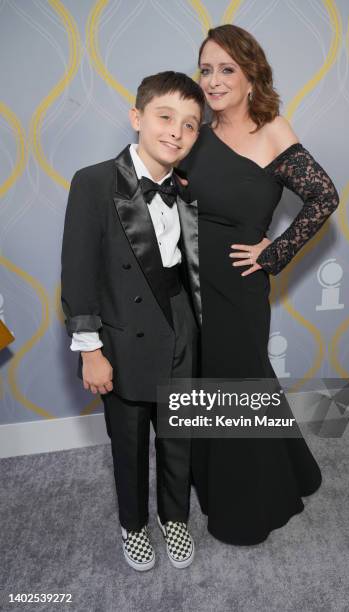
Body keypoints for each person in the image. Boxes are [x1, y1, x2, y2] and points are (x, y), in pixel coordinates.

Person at [178, 25, 340, 545]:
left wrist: (274, 253)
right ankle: (284, 469)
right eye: (206, 69)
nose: (214, 79)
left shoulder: (272, 130)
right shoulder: (194, 131)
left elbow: (324, 197)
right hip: (187, 281)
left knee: (237, 384)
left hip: (238, 287)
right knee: (206, 382)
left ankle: (245, 509)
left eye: (227, 69)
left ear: (251, 76)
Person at [61, 71, 205, 570]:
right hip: (123, 336)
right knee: (128, 441)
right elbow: (77, 273)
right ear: (137, 117)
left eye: (190, 125)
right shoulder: (95, 181)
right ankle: (133, 525)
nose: (176, 133)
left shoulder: (186, 188)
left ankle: (175, 518)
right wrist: (91, 350)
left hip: (180, 326)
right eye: (166, 117)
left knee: (178, 436)